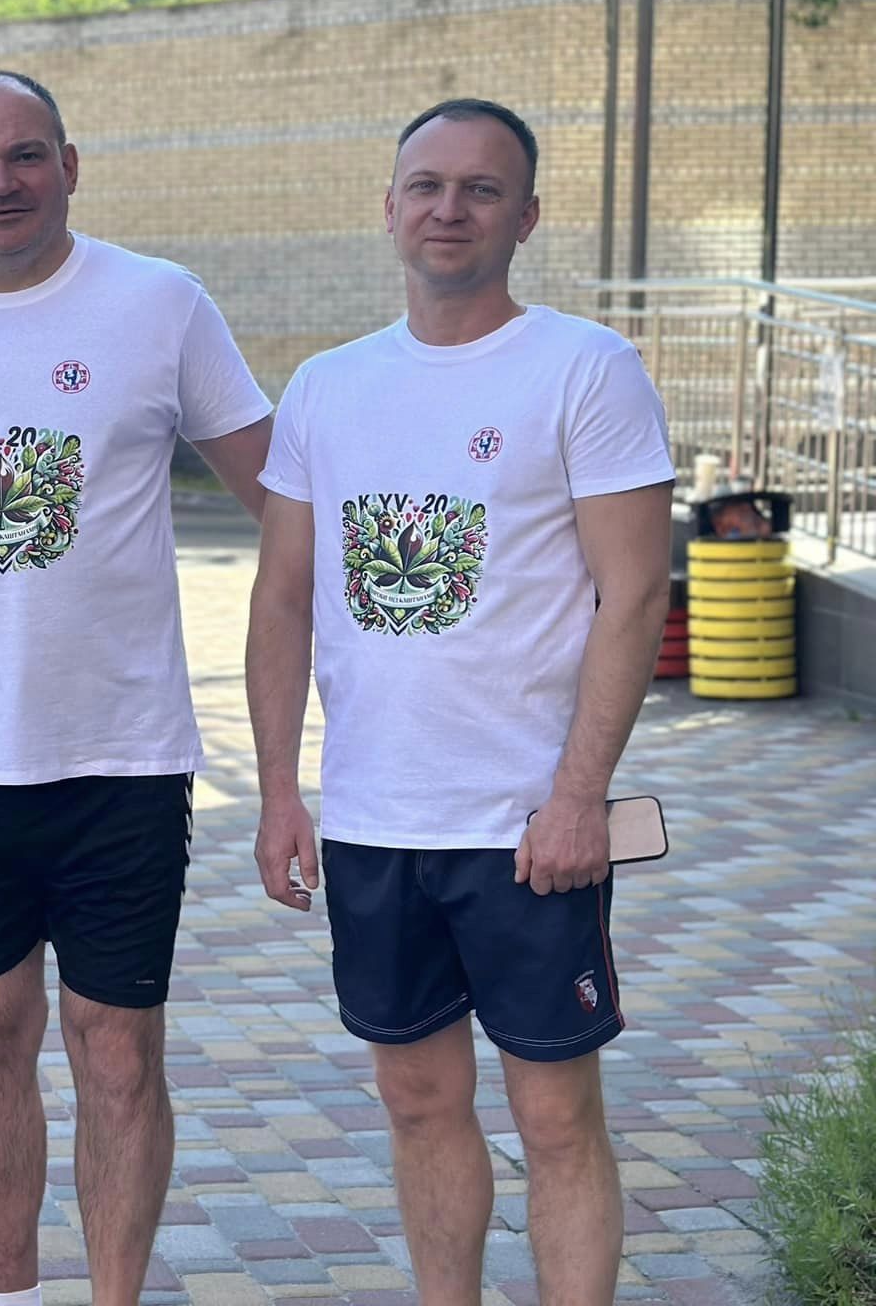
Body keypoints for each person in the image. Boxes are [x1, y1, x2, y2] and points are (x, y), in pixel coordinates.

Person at [0, 71, 274, 1306]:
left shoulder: (160, 305)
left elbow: (283, 501)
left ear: (68, 166)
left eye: (24, 155)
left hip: (122, 757)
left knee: (116, 1050)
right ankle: (9, 1295)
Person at [246, 98, 673, 1305]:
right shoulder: (326, 387)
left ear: (524, 217)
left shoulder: (583, 369)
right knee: (417, 1101)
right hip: (375, 822)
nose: (448, 208)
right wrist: (279, 793)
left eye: (480, 189)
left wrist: (576, 798)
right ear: (388, 208)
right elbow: (281, 600)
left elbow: (635, 594)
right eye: (425, 186)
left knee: (553, 1114)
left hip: (526, 828)